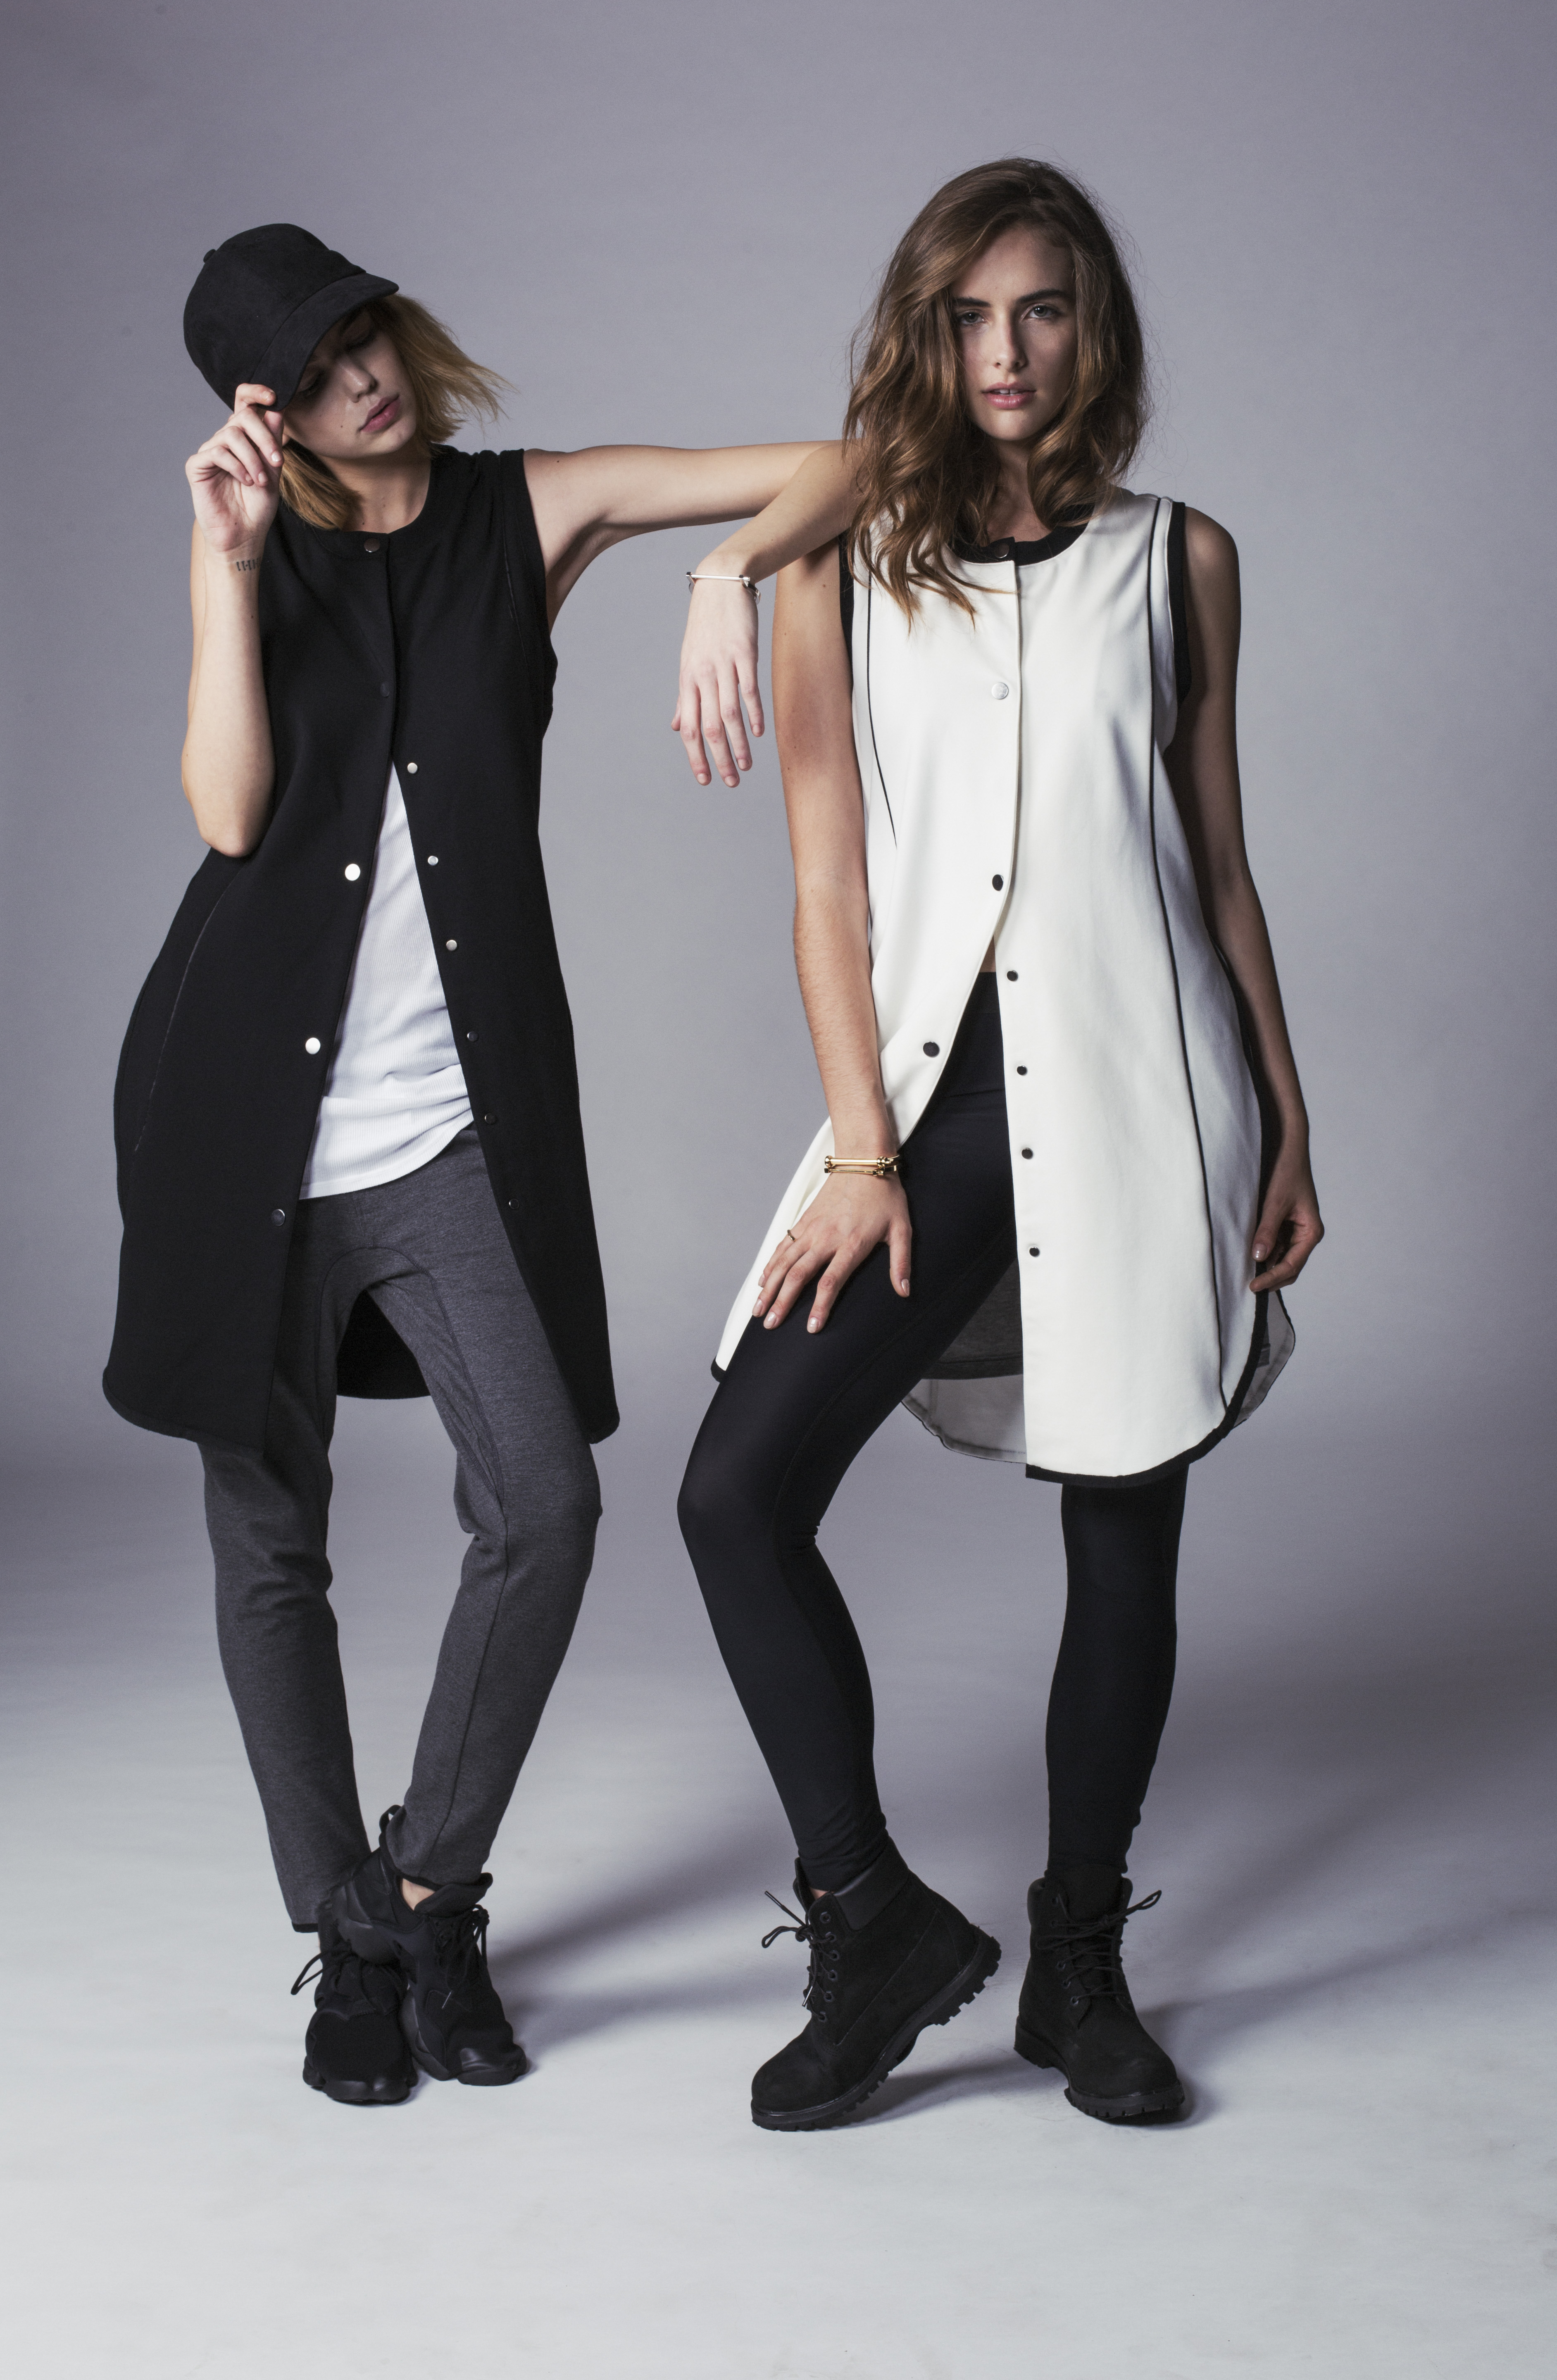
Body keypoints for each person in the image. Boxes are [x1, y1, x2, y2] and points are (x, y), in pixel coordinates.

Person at [105, 223, 852, 2107]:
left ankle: (426, 1897)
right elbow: (228, 814)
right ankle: (345, 1939)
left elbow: (853, 455)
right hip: (240, 1128)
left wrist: (729, 574)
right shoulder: (246, 549)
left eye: (364, 332)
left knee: (544, 1505)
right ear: (263, 415)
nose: (364, 376)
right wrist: (226, 567)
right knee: (270, 1540)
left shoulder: (529, 511)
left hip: (448, 1126)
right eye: (312, 371)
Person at [676, 159, 1323, 2132]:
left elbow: (1217, 863)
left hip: (1150, 1096)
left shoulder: (1183, 559)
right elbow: (825, 890)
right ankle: (870, 1918)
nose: (1007, 351)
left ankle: (1080, 1964)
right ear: (925, 336)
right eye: (968, 316)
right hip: (931, 1114)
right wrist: (863, 1151)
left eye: (1041, 308)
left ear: (1091, 325)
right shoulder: (841, 563)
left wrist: (1289, 1113)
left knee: (1123, 1521)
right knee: (737, 1491)